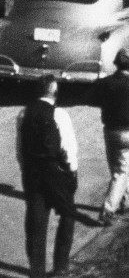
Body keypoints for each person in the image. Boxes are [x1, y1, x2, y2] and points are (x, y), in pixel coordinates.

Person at [16, 75, 79, 278]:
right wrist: (72, 171)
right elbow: (68, 147)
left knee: (36, 224)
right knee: (67, 217)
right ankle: (60, 266)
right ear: (54, 91)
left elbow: (20, 149)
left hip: (33, 174)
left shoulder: (24, 113)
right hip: (57, 174)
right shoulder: (60, 115)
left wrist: (25, 169)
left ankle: (37, 271)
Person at [92, 48, 129, 226]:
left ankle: (128, 199)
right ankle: (109, 209)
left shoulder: (105, 83)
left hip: (110, 132)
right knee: (121, 171)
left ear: (115, 63)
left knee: (117, 170)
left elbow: (93, 97)